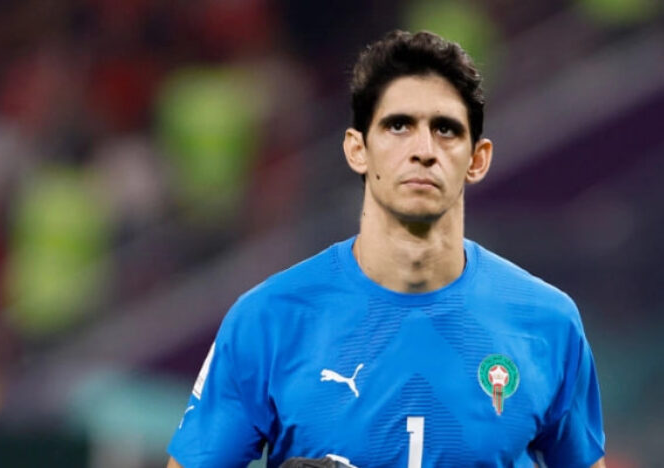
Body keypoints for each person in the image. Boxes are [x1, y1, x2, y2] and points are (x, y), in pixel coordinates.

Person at [167, 30, 606, 468]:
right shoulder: (269, 319)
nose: (424, 150)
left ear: (478, 159)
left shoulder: (548, 323)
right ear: (357, 150)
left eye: (446, 129)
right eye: (399, 126)